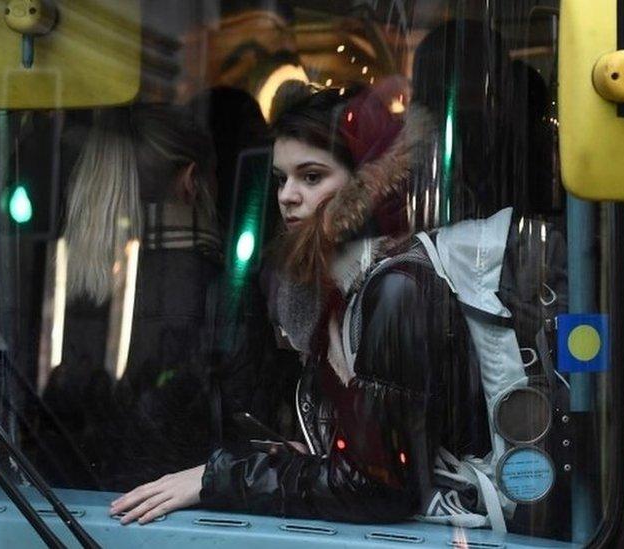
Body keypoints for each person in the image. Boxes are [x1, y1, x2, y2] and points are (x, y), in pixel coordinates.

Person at [109, 85, 491, 525]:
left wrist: (217, 479)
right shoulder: (329, 291)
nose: (287, 195)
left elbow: (377, 487)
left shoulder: (398, 290)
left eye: (311, 177)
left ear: (369, 184)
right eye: (281, 179)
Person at [37, 104, 224, 491]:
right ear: (191, 181)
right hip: (174, 513)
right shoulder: (217, 285)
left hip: (57, 506)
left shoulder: (57, 277)